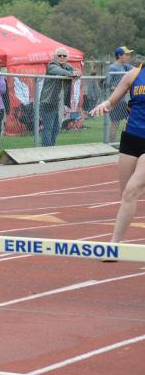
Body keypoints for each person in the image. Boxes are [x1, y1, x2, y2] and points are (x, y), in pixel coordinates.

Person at [89, 63, 144, 244]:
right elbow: (112, 101)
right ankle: (117, 245)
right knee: (125, 195)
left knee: (131, 191)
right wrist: (104, 105)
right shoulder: (133, 75)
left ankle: (113, 244)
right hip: (131, 138)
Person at [39, 47, 81, 147]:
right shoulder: (52, 65)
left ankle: (52, 149)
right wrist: (71, 74)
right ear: (55, 57)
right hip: (48, 102)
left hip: (59, 103)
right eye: (59, 55)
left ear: (67, 58)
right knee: (48, 128)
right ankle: (46, 151)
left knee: (56, 128)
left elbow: (78, 72)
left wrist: (77, 73)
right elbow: (59, 71)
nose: (62, 57)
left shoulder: (67, 66)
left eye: (64, 56)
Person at [106, 46, 135, 143]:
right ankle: (112, 144)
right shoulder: (112, 68)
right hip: (116, 100)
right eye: (126, 54)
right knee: (115, 123)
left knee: (130, 120)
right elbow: (107, 85)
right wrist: (119, 89)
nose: (129, 56)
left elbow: (137, 70)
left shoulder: (125, 66)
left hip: (124, 100)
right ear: (119, 55)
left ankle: (123, 142)